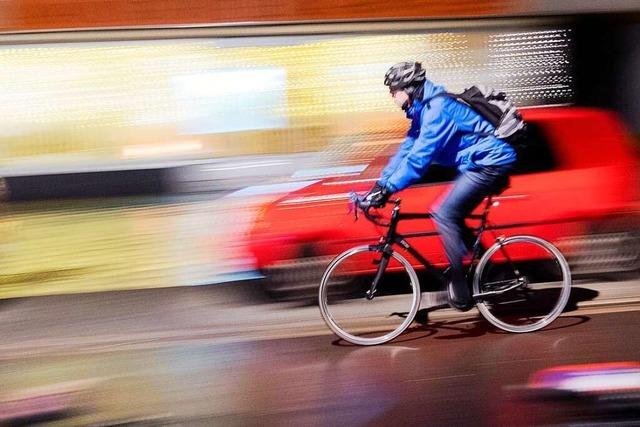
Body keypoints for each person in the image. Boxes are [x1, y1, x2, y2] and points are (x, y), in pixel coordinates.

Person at [364, 61, 517, 311]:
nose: (392, 96)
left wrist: (389, 188)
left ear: (410, 88)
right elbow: (407, 150)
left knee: (444, 212)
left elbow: (420, 158)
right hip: (477, 162)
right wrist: (380, 184)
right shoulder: (422, 110)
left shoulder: (438, 109)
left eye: (394, 90)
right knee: (451, 214)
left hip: (492, 160)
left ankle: (459, 285)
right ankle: (491, 273)